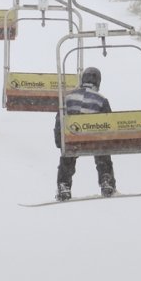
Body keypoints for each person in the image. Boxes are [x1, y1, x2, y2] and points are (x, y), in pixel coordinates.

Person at [53, 67, 116, 201]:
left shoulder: (68, 97)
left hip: (73, 139)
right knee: (102, 154)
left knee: (67, 157)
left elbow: (60, 119)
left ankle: (64, 185)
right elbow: (109, 123)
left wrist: (60, 141)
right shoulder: (101, 100)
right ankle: (106, 181)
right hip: (93, 140)